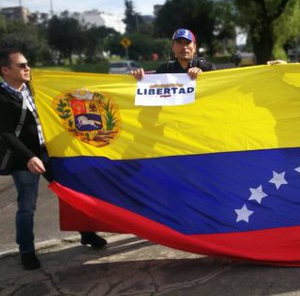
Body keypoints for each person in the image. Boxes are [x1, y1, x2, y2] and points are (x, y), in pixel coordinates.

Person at [0, 48, 107, 270]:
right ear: (5, 70)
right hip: (24, 159)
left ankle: (86, 233)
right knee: (27, 205)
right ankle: (27, 251)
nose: (27, 68)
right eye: (21, 65)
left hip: (49, 152)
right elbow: (6, 133)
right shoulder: (2, 97)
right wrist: (29, 157)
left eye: (27, 64)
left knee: (72, 194)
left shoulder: (33, 87)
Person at [131, 28, 216, 79]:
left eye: (187, 43)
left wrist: (204, 77)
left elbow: (217, 89)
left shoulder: (207, 68)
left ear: (194, 47)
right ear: (173, 47)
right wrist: (138, 78)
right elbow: (148, 88)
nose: (184, 47)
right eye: (179, 42)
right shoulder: (164, 70)